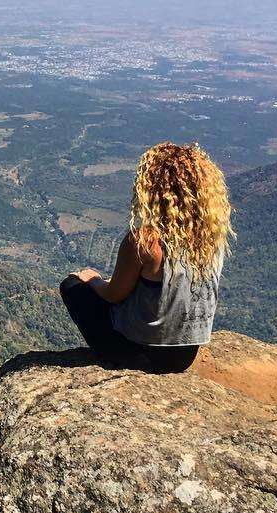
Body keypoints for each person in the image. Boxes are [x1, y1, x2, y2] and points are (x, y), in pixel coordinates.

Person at [59, 142, 233, 373]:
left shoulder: (145, 241)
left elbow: (113, 295)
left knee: (72, 285)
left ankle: (110, 356)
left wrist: (93, 280)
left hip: (137, 353)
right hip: (184, 356)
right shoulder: (211, 237)